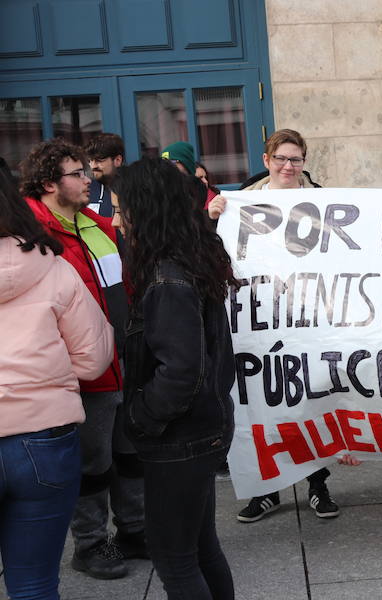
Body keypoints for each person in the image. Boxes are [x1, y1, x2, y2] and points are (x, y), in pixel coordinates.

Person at [115, 157, 238, 599]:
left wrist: (142, 417)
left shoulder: (169, 278)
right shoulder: (188, 259)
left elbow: (181, 370)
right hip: (203, 426)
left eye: (121, 210)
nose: (117, 221)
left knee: (175, 558)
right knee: (200, 548)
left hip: (180, 436)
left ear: (146, 211)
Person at [21, 139, 143, 579]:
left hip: (122, 358)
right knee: (92, 462)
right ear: (51, 184)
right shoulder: (31, 235)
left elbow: (120, 285)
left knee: (129, 452)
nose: (88, 179)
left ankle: (134, 529)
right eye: (77, 174)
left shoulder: (96, 224)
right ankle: (91, 544)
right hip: (83, 369)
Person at [0, 161, 114, 600]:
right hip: (43, 439)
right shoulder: (52, 264)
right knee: (34, 584)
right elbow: (93, 357)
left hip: (42, 434)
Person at [235, 129, 337, 524]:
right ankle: (266, 491)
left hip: (308, 317)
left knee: (308, 400)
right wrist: (213, 216)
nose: (288, 166)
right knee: (264, 401)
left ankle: (317, 484)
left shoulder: (325, 200)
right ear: (267, 160)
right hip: (261, 318)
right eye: (281, 158)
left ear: (305, 162)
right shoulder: (243, 200)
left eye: (295, 159)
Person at [85, 133, 125, 218]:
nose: (93, 166)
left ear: (118, 160)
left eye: (99, 160)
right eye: (90, 160)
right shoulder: (85, 189)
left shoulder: (134, 190)